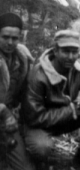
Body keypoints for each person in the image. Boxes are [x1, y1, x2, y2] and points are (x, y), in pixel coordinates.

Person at [21, 30, 80, 165]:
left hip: (65, 119)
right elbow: (34, 117)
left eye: (75, 52)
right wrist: (73, 109)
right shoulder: (38, 75)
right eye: (66, 51)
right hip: (40, 125)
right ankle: (41, 163)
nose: (71, 56)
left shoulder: (78, 68)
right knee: (41, 148)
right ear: (55, 51)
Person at [0, 12, 35, 170]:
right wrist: (5, 112)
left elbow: (25, 91)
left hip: (7, 121)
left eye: (15, 38)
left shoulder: (22, 58)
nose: (10, 42)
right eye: (5, 37)